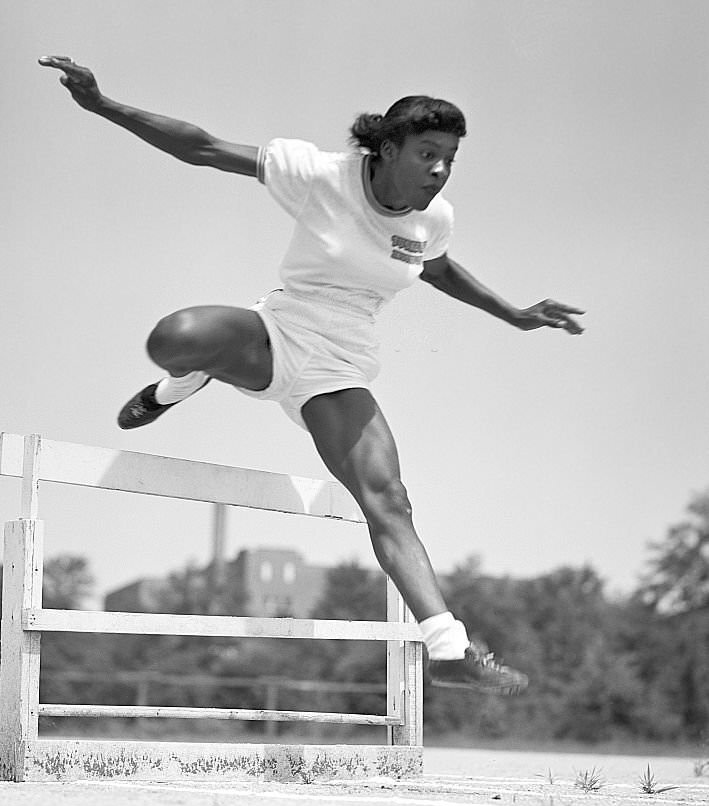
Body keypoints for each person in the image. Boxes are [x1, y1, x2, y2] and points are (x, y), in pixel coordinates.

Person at [39, 54, 584, 695]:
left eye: (451, 160)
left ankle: (449, 647)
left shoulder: (433, 220)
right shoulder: (321, 175)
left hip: (339, 366)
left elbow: (439, 271)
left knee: (390, 499)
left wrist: (516, 315)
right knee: (175, 338)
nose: (439, 171)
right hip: (279, 330)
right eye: (427, 153)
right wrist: (105, 105)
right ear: (386, 148)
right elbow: (205, 148)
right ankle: (180, 382)